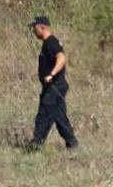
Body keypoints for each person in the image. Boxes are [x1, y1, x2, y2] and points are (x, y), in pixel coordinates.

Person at [26, 15, 78, 150]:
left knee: (43, 115)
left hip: (54, 87)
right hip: (53, 87)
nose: (33, 31)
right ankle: (72, 143)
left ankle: (35, 145)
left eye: (34, 28)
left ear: (42, 27)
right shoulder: (47, 43)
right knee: (59, 117)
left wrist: (51, 74)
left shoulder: (51, 42)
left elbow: (61, 58)